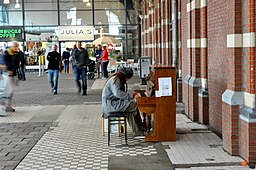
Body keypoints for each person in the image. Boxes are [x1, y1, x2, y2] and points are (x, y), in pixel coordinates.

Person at [102, 67, 144, 137]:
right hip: (111, 105)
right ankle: (140, 127)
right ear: (125, 76)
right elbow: (117, 93)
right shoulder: (115, 80)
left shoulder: (116, 79)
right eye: (128, 78)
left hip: (113, 103)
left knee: (130, 110)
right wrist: (132, 96)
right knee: (134, 105)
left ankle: (138, 130)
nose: (127, 80)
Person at [3, 42, 21, 112]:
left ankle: (8, 105)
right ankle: (6, 105)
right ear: (11, 46)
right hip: (6, 74)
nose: (16, 48)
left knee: (11, 91)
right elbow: (5, 62)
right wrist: (8, 70)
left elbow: (17, 63)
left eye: (17, 46)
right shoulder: (6, 53)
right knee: (7, 90)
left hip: (13, 74)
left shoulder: (17, 54)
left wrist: (12, 70)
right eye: (15, 46)